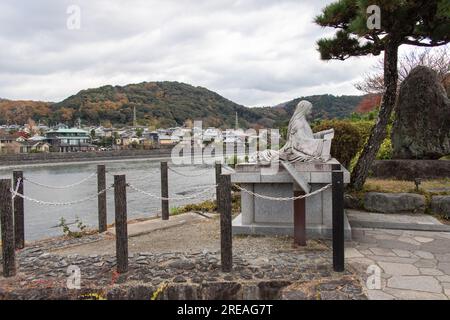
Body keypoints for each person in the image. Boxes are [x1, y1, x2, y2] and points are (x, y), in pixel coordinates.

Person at [251, 100, 334, 164]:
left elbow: (308, 137)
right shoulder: (298, 123)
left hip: (299, 148)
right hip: (294, 151)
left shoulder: (302, 121)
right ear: (304, 109)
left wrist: (325, 133)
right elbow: (300, 142)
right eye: (310, 109)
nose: (311, 111)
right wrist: (321, 143)